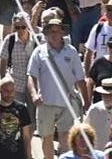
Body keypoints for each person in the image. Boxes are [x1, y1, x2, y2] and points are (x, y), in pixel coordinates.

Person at [28, 19, 87, 159]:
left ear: (62, 32)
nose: (54, 34)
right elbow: (31, 76)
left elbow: (80, 79)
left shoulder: (71, 52)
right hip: (45, 102)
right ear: (46, 33)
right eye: (50, 31)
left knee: (66, 138)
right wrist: (34, 95)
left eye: (57, 31)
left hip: (67, 101)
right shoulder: (39, 52)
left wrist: (86, 101)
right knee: (46, 137)